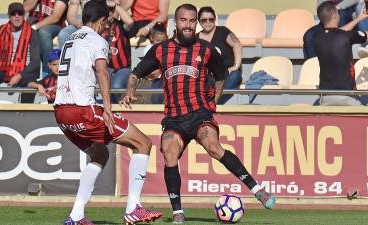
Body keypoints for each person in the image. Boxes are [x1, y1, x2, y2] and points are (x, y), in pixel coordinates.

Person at [120, 4, 276, 224]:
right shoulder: (160, 50)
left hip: (200, 114)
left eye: (192, 21)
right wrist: (129, 93)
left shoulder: (206, 49)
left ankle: (257, 189)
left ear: (196, 24)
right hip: (174, 118)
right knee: (169, 151)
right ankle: (178, 212)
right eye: (184, 20)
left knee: (214, 147)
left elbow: (221, 75)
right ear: (176, 23)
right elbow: (136, 73)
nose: (188, 25)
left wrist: (214, 102)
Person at [53, 1, 162, 224]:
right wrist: (108, 109)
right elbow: (103, 72)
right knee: (143, 143)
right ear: (102, 20)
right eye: (107, 22)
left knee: (100, 154)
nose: (107, 27)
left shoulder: (69, 40)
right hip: (83, 110)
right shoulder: (97, 40)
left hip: (61, 112)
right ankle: (134, 208)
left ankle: (76, 216)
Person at [0, 2, 40, 103]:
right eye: (13, 13)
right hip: (3, 67)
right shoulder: (1, 30)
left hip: (23, 69)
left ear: (24, 15)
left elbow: (35, 61)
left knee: (31, 83)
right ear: (8, 16)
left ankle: (25, 111)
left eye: (20, 13)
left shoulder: (32, 33)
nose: (17, 16)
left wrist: (19, 75)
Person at [314, 1, 368, 105]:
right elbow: (365, 35)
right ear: (335, 16)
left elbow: (335, 33)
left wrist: (358, 19)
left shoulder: (317, 38)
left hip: (325, 98)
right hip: (348, 98)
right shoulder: (347, 36)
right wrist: (359, 19)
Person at [197, 6, 242, 104]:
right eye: (204, 20)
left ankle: (213, 104)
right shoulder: (196, 38)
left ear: (215, 20)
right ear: (199, 22)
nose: (208, 22)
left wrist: (236, 66)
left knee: (235, 77)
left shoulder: (223, 31)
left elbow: (237, 45)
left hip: (227, 74)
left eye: (211, 19)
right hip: (207, 77)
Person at [23, 0, 69, 77]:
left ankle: (47, 72)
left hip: (55, 27)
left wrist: (34, 27)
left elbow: (55, 18)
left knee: (43, 32)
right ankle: (31, 76)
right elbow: (24, 9)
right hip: (34, 27)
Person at [105, 0, 134, 103]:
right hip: (105, 67)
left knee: (116, 87)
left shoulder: (121, 25)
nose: (109, 13)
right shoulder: (99, 26)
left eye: (110, 11)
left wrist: (116, 6)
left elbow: (130, 22)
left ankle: (114, 111)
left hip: (122, 68)